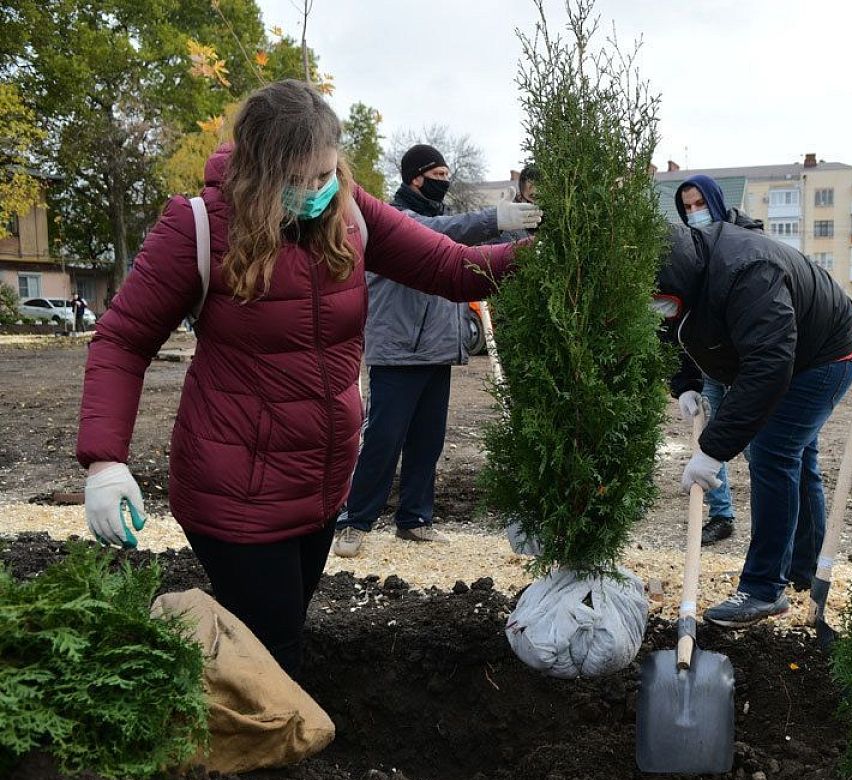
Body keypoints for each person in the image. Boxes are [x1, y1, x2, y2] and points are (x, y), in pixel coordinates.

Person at [77, 80, 521, 678]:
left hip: (320, 484)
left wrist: (533, 256)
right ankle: (265, 755)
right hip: (234, 488)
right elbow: (122, 339)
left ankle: (217, 692)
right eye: (300, 180)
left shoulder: (350, 211)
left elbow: (447, 266)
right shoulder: (200, 227)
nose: (316, 192)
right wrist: (106, 461)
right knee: (276, 646)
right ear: (260, 169)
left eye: (325, 175)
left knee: (275, 633)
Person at [331, 145, 540, 557]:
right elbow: (441, 233)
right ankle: (355, 520)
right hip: (398, 350)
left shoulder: (433, 215)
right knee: (384, 438)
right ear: (416, 178)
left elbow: (481, 247)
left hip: (438, 348)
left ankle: (414, 519)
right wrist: (493, 217)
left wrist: (523, 217)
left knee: (428, 440)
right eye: (438, 173)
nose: (445, 180)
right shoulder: (394, 220)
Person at [659, 222, 852, 627]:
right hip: (793, 350)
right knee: (798, 460)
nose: (660, 307)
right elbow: (672, 330)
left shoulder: (748, 274)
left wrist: (711, 451)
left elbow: (768, 368)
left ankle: (764, 588)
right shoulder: (682, 276)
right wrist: (685, 384)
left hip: (824, 356)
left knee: (773, 452)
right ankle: (804, 573)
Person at [671, 174, 763, 546]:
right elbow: (682, 322)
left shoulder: (749, 241)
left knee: (761, 448)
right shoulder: (690, 252)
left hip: (750, 365)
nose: (695, 214)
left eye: (700, 205)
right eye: (687, 208)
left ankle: (769, 520)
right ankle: (721, 515)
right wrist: (685, 385)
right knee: (708, 440)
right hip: (711, 365)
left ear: (716, 201)